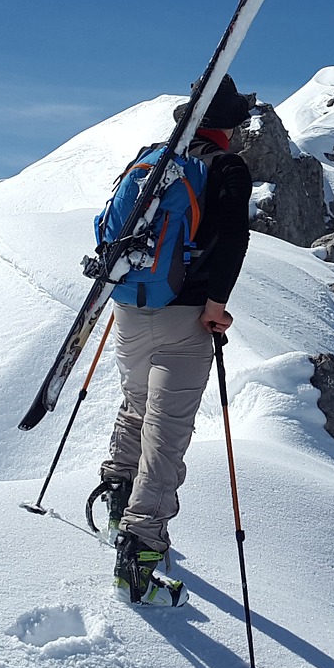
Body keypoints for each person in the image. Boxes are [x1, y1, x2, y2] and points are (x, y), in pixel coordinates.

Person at [96, 78, 255, 606]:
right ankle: (140, 556)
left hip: (129, 306)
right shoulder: (226, 167)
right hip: (184, 317)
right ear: (227, 125)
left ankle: (117, 497)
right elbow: (233, 237)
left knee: (135, 406)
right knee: (167, 438)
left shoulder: (156, 159)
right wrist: (216, 302)